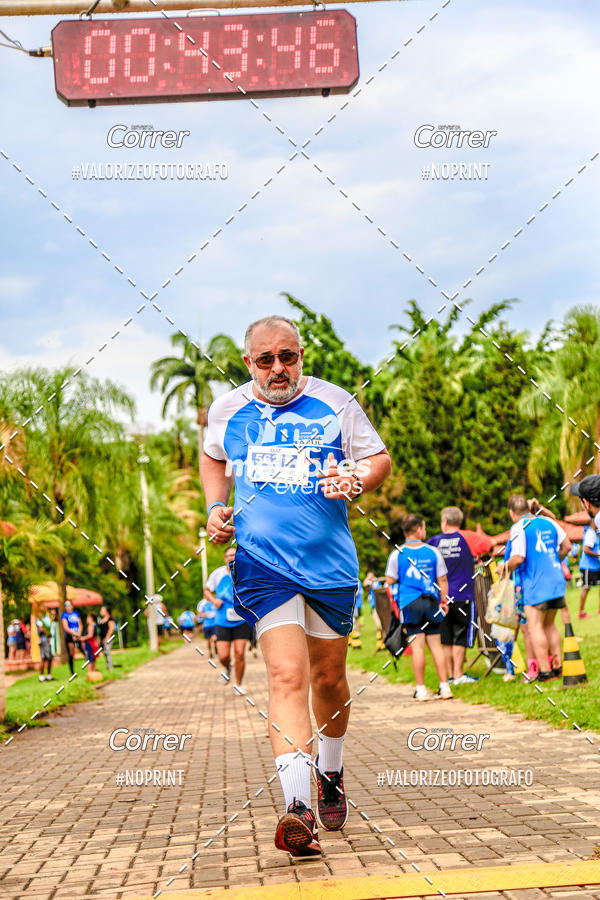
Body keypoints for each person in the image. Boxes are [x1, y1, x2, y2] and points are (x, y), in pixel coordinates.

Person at [201, 314, 391, 858]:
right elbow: (214, 458)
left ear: (301, 355)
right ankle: (298, 808)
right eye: (267, 360)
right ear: (248, 364)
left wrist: (355, 479)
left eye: (289, 357)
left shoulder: (336, 404)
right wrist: (217, 507)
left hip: (329, 565)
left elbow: (378, 460)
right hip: (262, 563)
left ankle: (330, 774)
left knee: (329, 678)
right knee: (288, 675)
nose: (279, 369)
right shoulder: (228, 409)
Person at [385, 514, 451, 701]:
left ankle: (421, 689)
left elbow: (390, 580)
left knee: (418, 648)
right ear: (419, 529)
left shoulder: (397, 554)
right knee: (436, 646)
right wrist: (443, 601)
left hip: (409, 603)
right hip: (430, 601)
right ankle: (444, 686)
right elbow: (443, 579)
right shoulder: (433, 552)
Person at [506, 494, 571, 681]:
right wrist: (553, 561)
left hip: (536, 584)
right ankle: (558, 668)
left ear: (512, 513)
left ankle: (545, 671)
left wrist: (504, 567)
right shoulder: (548, 522)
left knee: (535, 627)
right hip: (556, 580)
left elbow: (518, 558)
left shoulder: (519, 528)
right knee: (550, 625)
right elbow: (567, 546)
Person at [428, 506, 481, 685]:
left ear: (444, 522)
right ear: (460, 521)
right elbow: (488, 545)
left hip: (441, 598)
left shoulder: (433, 541)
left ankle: (451, 675)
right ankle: (458, 674)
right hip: (463, 594)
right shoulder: (468, 537)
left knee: (446, 637)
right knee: (460, 635)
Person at [204, 547, 251, 693]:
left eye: (234, 555)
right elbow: (206, 590)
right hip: (222, 619)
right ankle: (227, 667)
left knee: (239, 653)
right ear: (225, 558)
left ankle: (239, 684)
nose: (232, 557)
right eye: (229, 555)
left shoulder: (245, 572)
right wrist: (213, 600)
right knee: (223, 655)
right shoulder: (217, 574)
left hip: (241, 619)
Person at [578, 521, 600, 618]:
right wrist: (598, 554)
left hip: (595, 566)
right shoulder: (590, 534)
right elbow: (586, 549)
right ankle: (581, 612)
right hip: (587, 566)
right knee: (586, 588)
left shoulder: (595, 533)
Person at [61, 600, 82, 676]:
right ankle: (72, 672)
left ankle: (91, 667)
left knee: (83, 649)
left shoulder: (76, 614)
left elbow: (80, 624)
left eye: (69, 605)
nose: (68, 607)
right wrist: (74, 634)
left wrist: (78, 633)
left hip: (77, 635)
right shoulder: (64, 615)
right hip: (70, 636)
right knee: (71, 653)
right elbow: (65, 627)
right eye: (66, 605)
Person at [36, 611, 54, 681]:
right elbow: (42, 630)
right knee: (43, 659)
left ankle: (49, 676)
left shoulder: (46, 619)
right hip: (44, 641)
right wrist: (48, 631)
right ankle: (41, 676)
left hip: (47, 641)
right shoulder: (39, 621)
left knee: (49, 659)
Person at [98, 605, 116, 670]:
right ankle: (109, 665)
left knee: (107, 651)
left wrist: (107, 638)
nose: (101, 611)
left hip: (108, 638)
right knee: (105, 652)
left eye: (102, 610)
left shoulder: (110, 619)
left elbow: (111, 629)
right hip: (102, 638)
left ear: (107, 611)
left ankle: (110, 667)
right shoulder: (101, 620)